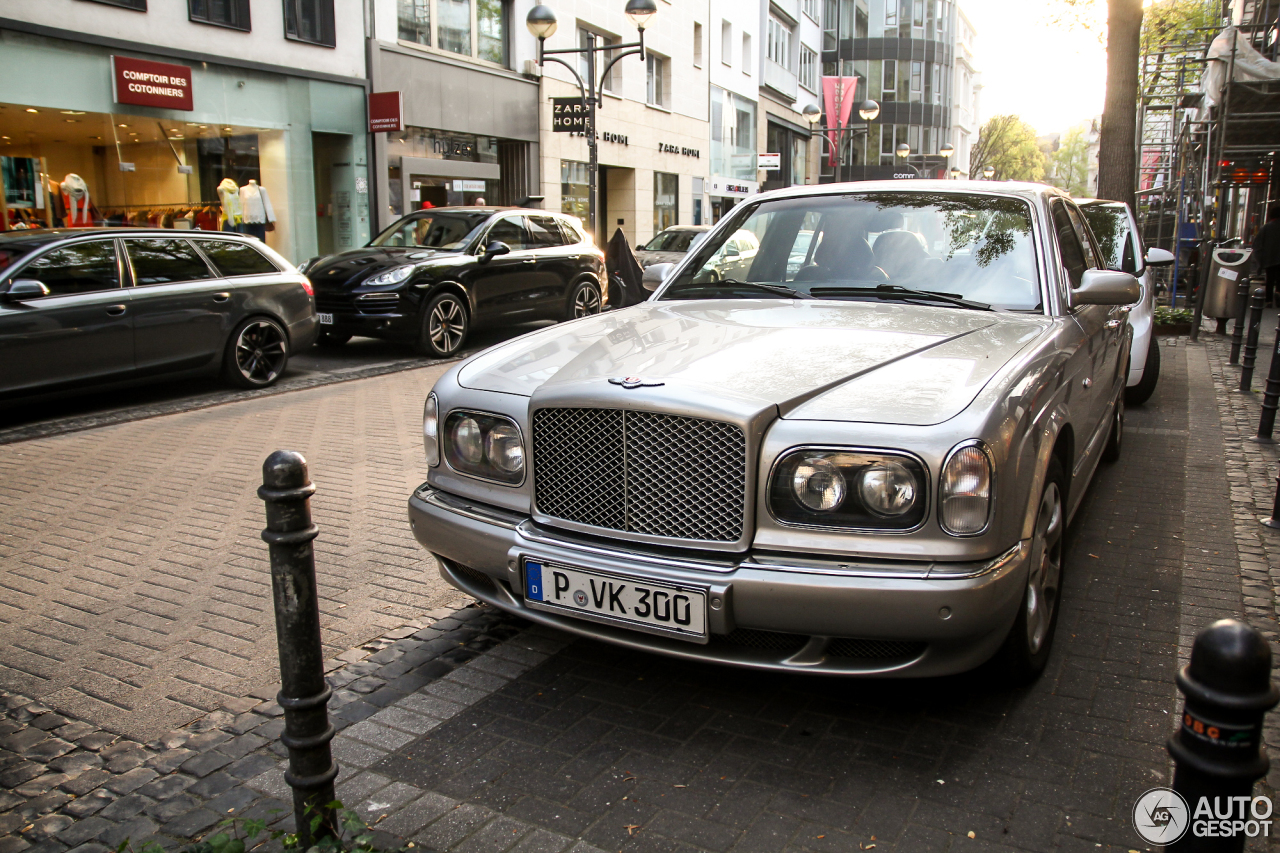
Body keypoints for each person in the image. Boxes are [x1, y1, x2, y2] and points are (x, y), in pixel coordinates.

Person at [1253, 203, 1280, 307]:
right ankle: (1278, 293)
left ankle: (1268, 300)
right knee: (1279, 278)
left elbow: (1258, 244)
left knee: (1270, 279)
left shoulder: (1266, 227)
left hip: (1270, 259)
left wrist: (1259, 263)